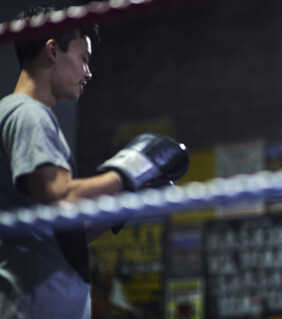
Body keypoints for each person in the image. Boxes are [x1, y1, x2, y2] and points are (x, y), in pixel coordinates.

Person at [0, 4, 188, 319]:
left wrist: (125, 199)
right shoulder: (27, 114)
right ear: (52, 51)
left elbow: (64, 234)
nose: (88, 72)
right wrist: (129, 171)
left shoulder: (27, 115)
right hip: (31, 306)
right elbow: (60, 195)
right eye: (83, 59)